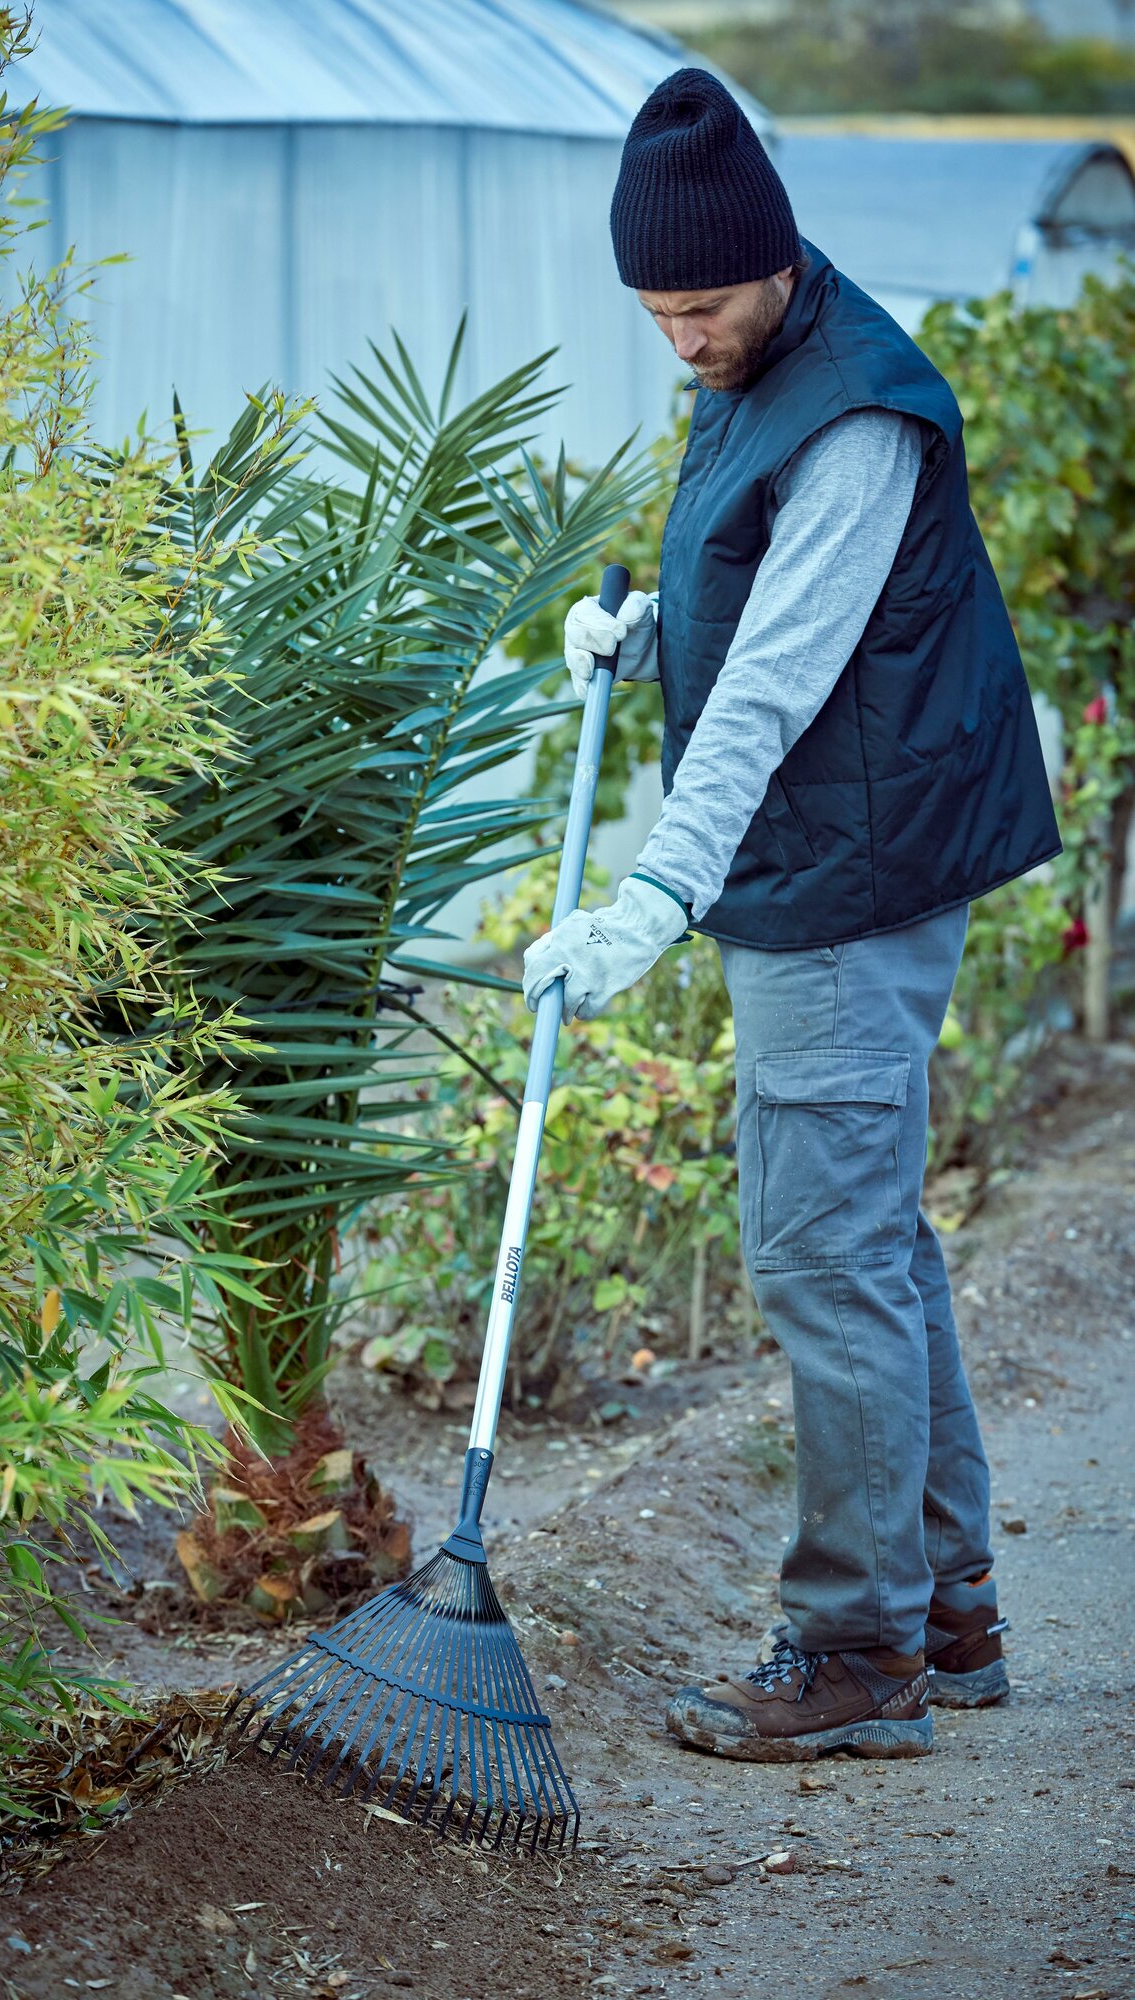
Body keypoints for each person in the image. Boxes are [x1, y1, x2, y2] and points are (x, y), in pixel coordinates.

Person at [521, 68, 1060, 1762]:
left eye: (698, 306)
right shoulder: (763, 349)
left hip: (845, 884)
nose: (679, 338)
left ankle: (853, 1655)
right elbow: (739, 599)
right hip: (832, 855)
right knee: (876, 1247)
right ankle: (944, 1614)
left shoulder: (856, 412)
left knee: (822, 1263)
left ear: (774, 265)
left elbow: (776, 682)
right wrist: (641, 634)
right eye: (653, 312)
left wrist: (649, 897)